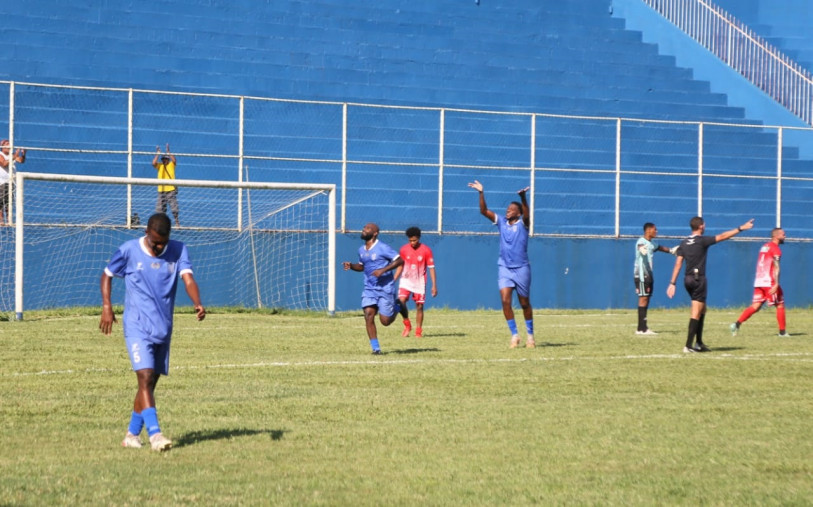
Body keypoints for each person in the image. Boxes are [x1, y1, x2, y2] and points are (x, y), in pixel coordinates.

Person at [99, 213, 205, 451]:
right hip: (137, 325)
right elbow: (107, 275)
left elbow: (188, 279)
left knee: (149, 384)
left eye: (163, 243)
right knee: (145, 378)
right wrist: (107, 306)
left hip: (163, 327)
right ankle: (156, 435)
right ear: (146, 232)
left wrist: (197, 302)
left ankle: (131, 435)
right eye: (155, 241)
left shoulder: (179, 250)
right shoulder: (128, 250)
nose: (159, 247)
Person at [666, 216, 754, 353]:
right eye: (704, 224)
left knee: (702, 309)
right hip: (698, 279)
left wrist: (672, 283)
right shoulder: (702, 241)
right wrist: (740, 228)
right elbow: (723, 236)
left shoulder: (683, 243)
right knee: (696, 312)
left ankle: (699, 343)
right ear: (701, 226)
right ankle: (688, 346)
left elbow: (678, 263)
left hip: (687, 279)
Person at [468, 180, 535, 348]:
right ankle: (514, 335)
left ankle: (530, 336)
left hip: (521, 268)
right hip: (504, 267)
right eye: (508, 208)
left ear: (518, 213)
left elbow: (527, 216)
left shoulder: (523, 224)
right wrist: (481, 192)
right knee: (505, 301)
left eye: (512, 209)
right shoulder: (501, 223)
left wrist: (523, 198)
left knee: (524, 303)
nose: (508, 210)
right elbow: (483, 210)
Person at [343, 223, 404, 354]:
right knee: (368, 315)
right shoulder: (361, 250)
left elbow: (400, 261)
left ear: (375, 233)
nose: (364, 230)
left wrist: (383, 270)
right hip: (369, 288)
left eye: (367, 229)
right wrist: (352, 266)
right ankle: (376, 349)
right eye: (364, 228)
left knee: (385, 321)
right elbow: (362, 266)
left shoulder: (383, 248)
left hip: (385, 288)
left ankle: (397, 307)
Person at [730, 227, 789, 337]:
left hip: (759, 281)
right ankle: (782, 332)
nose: (785, 236)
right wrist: (776, 283)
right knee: (780, 304)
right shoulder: (776, 249)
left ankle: (736, 324)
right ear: (776, 236)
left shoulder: (764, 246)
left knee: (756, 306)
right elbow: (776, 267)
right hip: (769, 281)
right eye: (783, 234)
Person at [634, 222, 678, 335]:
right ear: (648, 230)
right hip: (642, 275)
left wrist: (671, 251)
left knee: (647, 298)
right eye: (655, 229)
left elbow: (659, 247)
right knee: (643, 298)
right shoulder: (641, 242)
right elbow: (640, 248)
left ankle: (642, 327)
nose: (656, 231)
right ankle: (642, 329)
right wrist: (642, 251)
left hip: (649, 274)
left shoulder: (652, 243)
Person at [394, 226, 437, 338]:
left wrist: (434, 285)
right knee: (400, 302)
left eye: (414, 240)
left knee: (419, 306)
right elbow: (400, 266)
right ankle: (407, 324)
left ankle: (418, 331)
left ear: (419, 238)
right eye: (410, 240)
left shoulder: (426, 250)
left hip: (419, 282)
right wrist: (394, 279)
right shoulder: (403, 249)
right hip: (405, 280)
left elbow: (431, 267)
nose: (412, 242)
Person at [152, 143, 180, 226]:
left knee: (174, 208)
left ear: (168, 160)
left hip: (170, 190)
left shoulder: (171, 165)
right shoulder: (160, 166)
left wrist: (168, 152)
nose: (164, 160)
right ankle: (161, 223)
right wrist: (157, 154)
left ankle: (177, 221)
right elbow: (154, 163)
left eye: (165, 159)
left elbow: (174, 160)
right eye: (163, 159)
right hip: (161, 190)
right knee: (160, 209)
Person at [0, 139, 26, 225]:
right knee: (1, 201)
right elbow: (4, 163)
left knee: (9, 202)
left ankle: (8, 219)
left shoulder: (12, 155)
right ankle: (1, 219)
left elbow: (21, 161)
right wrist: (15, 155)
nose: (9, 146)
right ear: (2, 146)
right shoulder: (1, 155)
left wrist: (23, 154)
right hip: (2, 182)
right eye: (7, 144)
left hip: (11, 182)